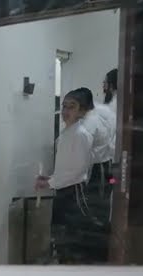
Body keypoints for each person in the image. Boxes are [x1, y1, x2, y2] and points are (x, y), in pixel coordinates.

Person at [36, 88, 109, 263]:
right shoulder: (67, 132)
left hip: (74, 193)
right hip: (63, 190)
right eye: (65, 106)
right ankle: (63, 262)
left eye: (72, 107)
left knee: (72, 236)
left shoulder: (81, 134)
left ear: (82, 111)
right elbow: (66, 166)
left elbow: (78, 171)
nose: (66, 111)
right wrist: (49, 178)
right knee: (60, 234)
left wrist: (51, 183)